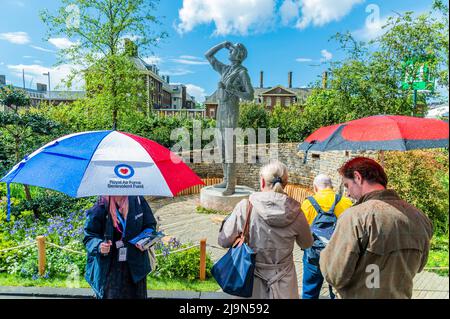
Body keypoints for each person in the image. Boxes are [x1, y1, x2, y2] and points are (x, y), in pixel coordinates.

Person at [319, 157, 433, 299]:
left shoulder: (354, 217)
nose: (347, 193)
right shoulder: (420, 217)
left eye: (347, 185)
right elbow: (420, 265)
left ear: (357, 177)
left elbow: (334, 275)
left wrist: (326, 253)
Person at [218, 160, 313, 298]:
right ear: (285, 184)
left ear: (262, 182)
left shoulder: (245, 207)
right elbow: (307, 243)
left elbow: (223, 241)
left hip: (249, 283)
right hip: (284, 285)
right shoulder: (297, 212)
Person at [83, 195, 157, 299]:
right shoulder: (101, 205)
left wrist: (145, 241)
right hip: (110, 270)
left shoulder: (138, 200)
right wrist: (99, 245)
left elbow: (150, 226)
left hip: (135, 269)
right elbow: (89, 236)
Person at [205, 41, 254, 196]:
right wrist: (222, 44)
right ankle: (226, 179)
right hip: (221, 112)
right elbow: (208, 55)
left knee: (229, 149)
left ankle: (231, 185)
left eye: (232, 49)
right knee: (221, 148)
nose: (230, 51)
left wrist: (233, 90)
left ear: (238, 55)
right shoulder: (225, 70)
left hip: (231, 112)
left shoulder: (241, 73)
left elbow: (250, 95)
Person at [300, 174, 353, 299]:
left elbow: (302, 232)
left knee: (309, 291)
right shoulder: (346, 202)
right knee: (338, 292)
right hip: (338, 256)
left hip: (313, 255)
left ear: (315, 187)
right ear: (332, 187)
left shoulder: (307, 204)